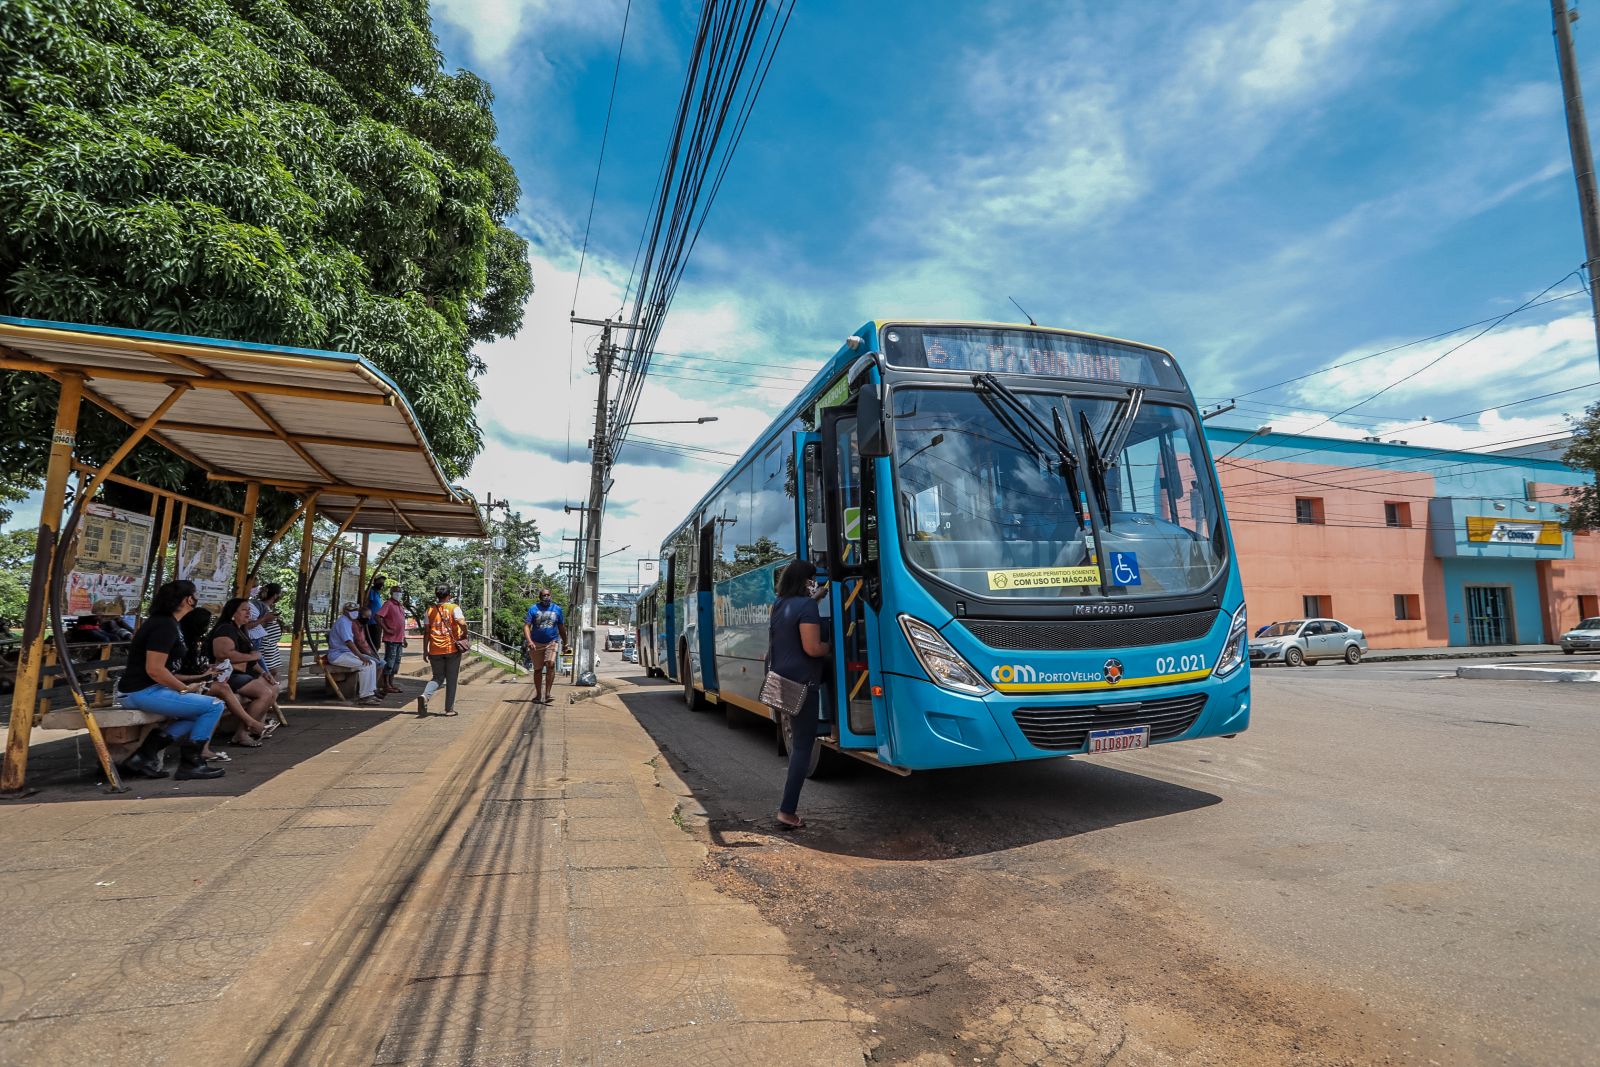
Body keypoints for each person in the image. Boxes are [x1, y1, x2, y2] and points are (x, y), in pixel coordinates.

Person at [114, 580, 226, 781]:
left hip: (150, 689)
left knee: (197, 714)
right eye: (195, 595)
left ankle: (142, 757)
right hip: (141, 691)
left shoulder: (169, 623)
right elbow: (155, 669)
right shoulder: (163, 625)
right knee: (214, 706)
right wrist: (184, 690)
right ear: (188, 599)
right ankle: (192, 763)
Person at [767, 559, 830, 830]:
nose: (813, 584)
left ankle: (787, 809)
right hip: (803, 684)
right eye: (812, 580)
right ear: (806, 581)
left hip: (782, 682)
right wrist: (832, 646)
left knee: (799, 742)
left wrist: (815, 598)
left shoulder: (778, 605)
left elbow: (796, 617)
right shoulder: (806, 607)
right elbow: (813, 648)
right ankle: (787, 811)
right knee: (803, 748)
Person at [179, 606, 271, 751]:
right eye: (205, 625)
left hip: (199, 682)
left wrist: (207, 670)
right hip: (184, 686)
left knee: (224, 695)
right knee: (217, 702)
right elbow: (173, 674)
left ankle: (201, 749)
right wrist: (201, 676)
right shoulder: (222, 632)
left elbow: (194, 667)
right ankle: (248, 724)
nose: (207, 629)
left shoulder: (193, 642)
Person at [208, 598, 282, 725]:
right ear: (232, 613)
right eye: (243, 610)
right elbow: (223, 655)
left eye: (249, 610)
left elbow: (252, 657)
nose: (248, 613)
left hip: (241, 672)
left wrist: (264, 672)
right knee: (264, 693)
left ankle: (247, 730)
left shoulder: (241, 629)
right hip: (226, 675)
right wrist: (252, 657)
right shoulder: (226, 629)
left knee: (273, 687)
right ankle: (247, 731)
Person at [417, 584, 467, 716]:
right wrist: (464, 634)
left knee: (437, 677)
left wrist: (425, 650)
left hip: (434, 649)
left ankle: (425, 696)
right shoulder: (454, 608)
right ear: (449, 595)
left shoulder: (429, 610)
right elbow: (462, 623)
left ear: (436, 595)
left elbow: (427, 632)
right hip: (451, 649)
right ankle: (449, 709)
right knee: (451, 679)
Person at [328, 601, 382, 704]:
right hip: (337, 655)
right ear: (345, 612)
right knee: (365, 665)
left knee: (372, 663)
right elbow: (349, 642)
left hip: (345, 653)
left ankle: (370, 693)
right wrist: (361, 656)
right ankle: (364, 696)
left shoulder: (348, 621)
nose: (354, 612)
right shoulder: (343, 622)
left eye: (355, 610)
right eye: (351, 611)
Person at [522, 589, 567, 705]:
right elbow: (527, 626)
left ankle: (548, 693)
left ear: (551, 596)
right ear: (540, 597)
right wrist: (529, 641)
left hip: (552, 641)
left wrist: (565, 643)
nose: (546, 597)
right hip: (536, 643)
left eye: (548, 595)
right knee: (538, 670)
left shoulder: (557, 609)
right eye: (543, 595)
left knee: (550, 664)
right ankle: (538, 695)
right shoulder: (533, 609)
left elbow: (561, 627)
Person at [376, 584, 408, 695]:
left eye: (400, 592)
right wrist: (386, 629)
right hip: (391, 639)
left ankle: (391, 682)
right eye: (396, 592)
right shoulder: (388, 604)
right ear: (391, 593)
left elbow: (401, 623)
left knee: (396, 662)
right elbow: (378, 616)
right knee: (390, 661)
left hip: (399, 639)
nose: (398, 594)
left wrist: (404, 638)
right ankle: (386, 684)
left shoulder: (400, 606)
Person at [250, 582, 285, 680]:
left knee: (273, 671)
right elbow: (257, 625)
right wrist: (266, 619)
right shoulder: (261, 607)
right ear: (275, 595)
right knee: (268, 671)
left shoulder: (267, 607)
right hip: (265, 645)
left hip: (270, 645)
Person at [365, 573, 387, 652]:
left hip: (377, 622)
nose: (381, 584)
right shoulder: (371, 591)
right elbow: (367, 603)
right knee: (374, 643)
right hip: (372, 622)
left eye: (383, 582)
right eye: (380, 582)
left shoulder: (377, 593)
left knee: (376, 643)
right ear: (375, 582)